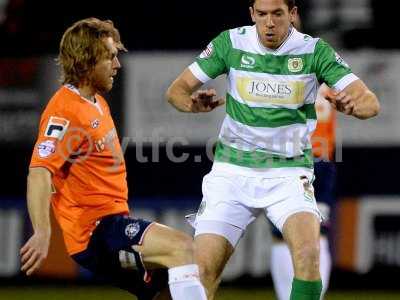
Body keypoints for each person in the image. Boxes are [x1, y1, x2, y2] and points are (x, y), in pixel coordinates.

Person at [166, 0, 380, 299]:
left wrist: (354, 105)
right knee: (203, 270)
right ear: (252, 14)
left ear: (292, 14)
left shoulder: (314, 50)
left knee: (308, 254)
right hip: (232, 173)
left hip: (289, 173)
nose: (269, 23)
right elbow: (176, 91)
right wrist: (191, 105)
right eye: (262, 14)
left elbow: (370, 103)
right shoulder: (231, 42)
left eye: (277, 14)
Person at [20, 18, 207, 300]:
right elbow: (39, 172)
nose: (117, 65)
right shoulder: (64, 112)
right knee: (183, 249)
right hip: (95, 233)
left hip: (112, 224)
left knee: (167, 288)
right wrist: (42, 232)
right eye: (110, 57)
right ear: (86, 61)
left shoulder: (97, 102)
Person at [270, 84, 335, 300]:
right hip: (318, 157)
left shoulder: (286, 69)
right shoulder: (328, 72)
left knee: (284, 236)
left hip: (293, 160)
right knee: (317, 234)